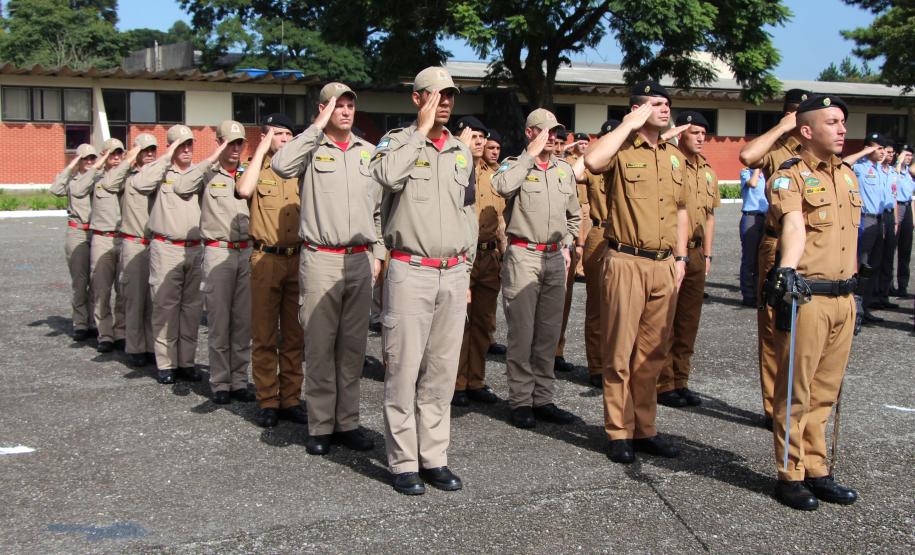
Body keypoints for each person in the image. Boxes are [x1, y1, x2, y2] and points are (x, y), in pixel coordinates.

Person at [370, 66, 477, 495]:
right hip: (409, 271)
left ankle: (434, 457)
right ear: (417, 99)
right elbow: (386, 178)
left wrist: (466, 267)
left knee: (441, 372)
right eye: (437, 95)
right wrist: (419, 131)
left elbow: (468, 212)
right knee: (402, 370)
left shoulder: (460, 151)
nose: (445, 102)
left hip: (451, 273)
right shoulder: (395, 143)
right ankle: (403, 462)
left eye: (450, 95)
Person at [271, 83, 383, 453]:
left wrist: (379, 253)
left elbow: (380, 210)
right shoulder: (310, 148)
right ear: (323, 109)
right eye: (338, 106)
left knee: (352, 348)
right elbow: (281, 165)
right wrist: (314, 128)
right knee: (320, 345)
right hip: (321, 258)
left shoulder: (370, 153)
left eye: (350, 105)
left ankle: (347, 421)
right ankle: (320, 425)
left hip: (360, 258)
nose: (346, 112)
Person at [584, 81, 688, 464]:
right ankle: (618, 431)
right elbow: (592, 164)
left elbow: (680, 209)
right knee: (620, 351)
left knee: (653, 353)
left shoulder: (674, 156)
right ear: (637, 110)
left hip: (664, 264)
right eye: (656, 104)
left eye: (667, 103)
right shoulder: (621, 149)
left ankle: (645, 428)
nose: (665, 108)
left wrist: (680, 259)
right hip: (626, 260)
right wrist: (627, 125)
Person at [764, 94, 859, 511]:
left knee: (826, 391)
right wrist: (786, 269)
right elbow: (795, 226)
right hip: (809, 297)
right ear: (807, 130)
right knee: (795, 391)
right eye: (833, 122)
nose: (842, 129)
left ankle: (818, 468)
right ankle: (790, 473)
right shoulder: (790, 177)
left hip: (844, 298)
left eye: (842, 122)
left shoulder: (849, 176)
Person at [492, 108, 581, 429]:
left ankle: (543, 398)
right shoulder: (513, 165)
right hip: (523, 256)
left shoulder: (563, 171)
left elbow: (574, 216)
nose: (553, 137)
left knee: (548, 332)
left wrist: (569, 243)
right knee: (522, 333)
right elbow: (500, 186)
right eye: (546, 131)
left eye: (556, 132)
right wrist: (528, 157)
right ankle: (520, 400)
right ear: (530, 133)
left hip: (555, 257)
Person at [738, 88, 808, 430]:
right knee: (772, 323)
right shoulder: (775, 148)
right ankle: (773, 405)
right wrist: (782, 128)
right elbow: (747, 156)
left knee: (809, 325)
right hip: (777, 240)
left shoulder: (817, 152)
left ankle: (801, 400)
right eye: (796, 112)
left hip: (815, 245)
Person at [173, 121, 254, 405]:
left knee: (243, 321)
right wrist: (210, 158)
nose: (234, 149)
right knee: (220, 320)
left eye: (238, 143)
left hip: (246, 252)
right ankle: (220, 381)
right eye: (229, 142)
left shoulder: (247, 173)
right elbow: (181, 186)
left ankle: (239, 379)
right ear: (219, 142)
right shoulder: (207, 174)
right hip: (218, 251)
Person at [234, 113, 305, 426]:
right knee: (264, 335)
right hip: (266, 259)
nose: (286, 140)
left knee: (293, 336)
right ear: (264, 137)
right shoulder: (256, 168)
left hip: (297, 259)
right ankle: (267, 400)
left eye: (289, 134)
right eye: (279, 134)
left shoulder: (301, 170)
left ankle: (290, 398)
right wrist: (261, 150)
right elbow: (244, 190)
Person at [134, 125, 207, 384]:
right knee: (165, 307)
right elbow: (139, 183)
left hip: (195, 248)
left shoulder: (198, 173)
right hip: (166, 248)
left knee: (191, 309)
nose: (186, 149)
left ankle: (186, 361)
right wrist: (167, 156)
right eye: (180, 145)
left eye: (189, 144)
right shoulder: (159, 172)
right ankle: (166, 363)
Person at [657, 111, 719, 408]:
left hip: (696, 253)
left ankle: (681, 379)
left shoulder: (707, 170)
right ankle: (664, 382)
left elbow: (709, 217)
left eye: (704, 133)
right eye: (694, 132)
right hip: (673, 252)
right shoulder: (669, 162)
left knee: (688, 321)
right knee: (666, 319)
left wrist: (707, 253)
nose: (700, 137)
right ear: (680, 133)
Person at [453, 116, 504, 407]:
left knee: (484, 322)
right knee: (460, 324)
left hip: (487, 256)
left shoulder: (493, 174)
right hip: (461, 257)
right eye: (475, 137)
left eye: (483, 138)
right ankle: (456, 382)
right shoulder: (453, 168)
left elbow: (501, 218)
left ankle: (476, 380)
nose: (481, 143)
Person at [76, 138, 131, 354]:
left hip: (124, 237)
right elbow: (76, 188)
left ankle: (120, 332)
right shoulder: (95, 178)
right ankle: (104, 333)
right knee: (101, 288)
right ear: (104, 156)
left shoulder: (129, 177)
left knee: (124, 289)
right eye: (112, 154)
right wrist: (97, 165)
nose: (116, 158)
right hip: (102, 237)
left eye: (119, 154)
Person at [115, 133, 159, 367]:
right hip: (134, 242)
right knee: (134, 299)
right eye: (145, 150)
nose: (150, 154)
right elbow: (109, 183)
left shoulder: (160, 177)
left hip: (156, 243)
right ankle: (134, 346)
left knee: (154, 301)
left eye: (153, 150)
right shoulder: (126, 177)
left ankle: (152, 346)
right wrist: (128, 159)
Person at [581, 120, 618, 389]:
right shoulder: (593, 168)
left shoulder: (628, 165)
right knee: (596, 305)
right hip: (598, 232)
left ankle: (616, 363)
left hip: (623, 238)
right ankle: (596, 365)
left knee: (620, 307)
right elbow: (576, 170)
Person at [50, 144, 98, 341]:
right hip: (77, 231)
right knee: (80, 281)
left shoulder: (98, 177)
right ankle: (80, 322)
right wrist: (71, 166)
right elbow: (55, 189)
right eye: (84, 158)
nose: (89, 162)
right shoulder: (71, 180)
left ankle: (94, 322)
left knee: (97, 281)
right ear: (78, 160)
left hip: (96, 233)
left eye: (92, 158)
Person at [552, 132, 590, 374]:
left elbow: (575, 213)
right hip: (540, 247)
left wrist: (576, 243)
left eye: (559, 143)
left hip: (565, 244)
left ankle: (557, 351)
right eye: (554, 142)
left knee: (563, 303)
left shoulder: (568, 169)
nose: (556, 147)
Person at [845, 132, 890, 324]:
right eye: (877, 148)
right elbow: (844, 163)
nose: (881, 152)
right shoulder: (861, 168)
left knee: (874, 265)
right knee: (862, 265)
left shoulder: (881, 170)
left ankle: (867, 307)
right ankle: (856, 310)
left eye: (882, 148)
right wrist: (865, 152)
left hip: (880, 221)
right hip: (865, 220)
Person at [483, 130, 508, 356]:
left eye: (497, 148)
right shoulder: (477, 172)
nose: (494, 152)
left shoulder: (503, 173)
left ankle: (489, 336)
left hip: (496, 243)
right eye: (491, 148)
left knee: (491, 297)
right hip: (478, 244)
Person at [738, 167, 768, 307]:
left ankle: (758, 294)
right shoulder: (746, 173)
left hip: (765, 218)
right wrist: (757, 169)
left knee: (761, 259)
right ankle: (748, 295)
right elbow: (753, 183)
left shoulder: (767, 175)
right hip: (750, 217)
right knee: (749, 259)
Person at [876, 144, 900, 309]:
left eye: (891, 153)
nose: (889, 155)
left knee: (888, 257)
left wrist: (897, 220)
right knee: (875, 257)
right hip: (878, 215)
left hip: (890, 215)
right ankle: (873, 295)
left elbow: (894, 196)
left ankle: (884, 295)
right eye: (885, 152)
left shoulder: (893, 173)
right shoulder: (875, 169)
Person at [893, 146, 914, 298]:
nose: (909, 157)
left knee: (905, 250)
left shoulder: (909, 174)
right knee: (890, 249)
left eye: (911, 155)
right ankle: (887, 286)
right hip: (897, 206)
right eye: (906, 154)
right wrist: (898, 162)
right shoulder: (895, 171)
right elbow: (895, 178)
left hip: (907, 207)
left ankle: (902, 285)